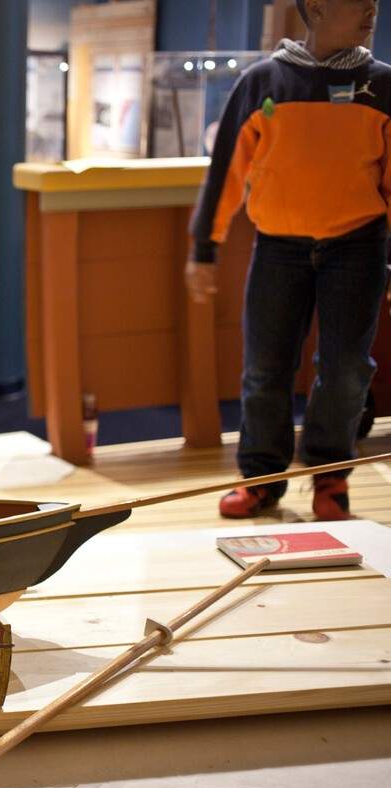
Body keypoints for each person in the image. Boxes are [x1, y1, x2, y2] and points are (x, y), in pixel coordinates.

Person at [187, 0, 388, 521]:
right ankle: (263, 478)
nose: (371, 9)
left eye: (374, 2)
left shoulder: (384, 86)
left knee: (346, 369)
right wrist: (204, 250)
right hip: (278, 247)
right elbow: (226, 169)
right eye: (356, 1)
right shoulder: (263, 82)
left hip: (358, 246)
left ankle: (330, 476)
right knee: (264, 368)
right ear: (316, 8)